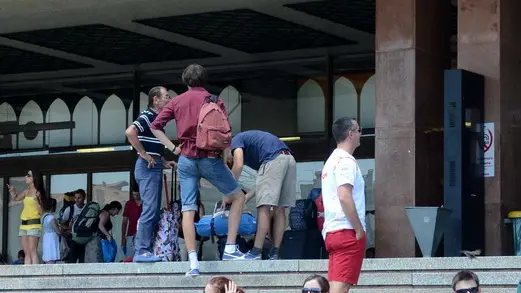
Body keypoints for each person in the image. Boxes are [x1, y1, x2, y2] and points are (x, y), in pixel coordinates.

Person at [151, 64, 246, 277]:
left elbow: (155, 126)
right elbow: (225, 135)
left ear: (185, 81)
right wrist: (226, 156)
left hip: (185, 158)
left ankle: (193, 261)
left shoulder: (176, 101)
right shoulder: (214, 100)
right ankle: (230, 248)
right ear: (204, 80)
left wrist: (173, 147)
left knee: (188, 208)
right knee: (238, 196)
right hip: (210, 158)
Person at [227, 130, 296, 260]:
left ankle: (256, 251)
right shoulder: (257, 153)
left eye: (228, 160)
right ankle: (275, 252)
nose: (230, 162)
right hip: (289, 158)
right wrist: (246, 197)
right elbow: (263, 183)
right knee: (280, 208)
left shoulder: (235, 140)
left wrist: (228, 191)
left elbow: (238, 165)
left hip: (274, 159)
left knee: (263, 207)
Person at [125, 86, 174, 263]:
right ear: (155, 100)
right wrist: (144, 154)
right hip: (147, 166)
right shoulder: (147, 116)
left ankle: (145, 249)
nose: (169, 100)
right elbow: (130, 132)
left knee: (153, 209)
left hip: (154, 165)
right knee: (150, 209)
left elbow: (152, 144)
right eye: (166, 96)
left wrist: (163, 161)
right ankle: (142, 250)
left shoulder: (157, 119)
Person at [321, 117, 366, 293]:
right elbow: (344, 196)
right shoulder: (346, 161)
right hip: (347, 231)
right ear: (351, 133)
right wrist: (358, 229)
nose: (361, 133)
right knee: (341, 285)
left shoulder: (331, 161)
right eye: (359, 129)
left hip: (333, 230)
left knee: (335, 283)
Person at [8, 170, 47, 264]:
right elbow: (16, 198)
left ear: (34, 178)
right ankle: (27, 276)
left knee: (33, 251)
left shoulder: (38, 193)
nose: (26, 177)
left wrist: (38, 201)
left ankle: (35, 276)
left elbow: (42, 212)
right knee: (27, 253)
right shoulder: (26, 191)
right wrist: (12, 191)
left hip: (34, 223)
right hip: (23, 224)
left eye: (28, 175)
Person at [121, 189, 142, 257]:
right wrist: (123, 237)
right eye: (134, 195)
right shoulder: (129, 204)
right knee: (130, 257)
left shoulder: (146, 203)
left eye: (137, 195)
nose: (135, 197)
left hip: (144, 235)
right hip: (131, 234)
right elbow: (124, 222)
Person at [41, 198, 61, 264]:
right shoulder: (51, 217)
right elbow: (58, 231)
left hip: (46, 237)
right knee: (52, 257)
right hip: (52, 238)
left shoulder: (43, 216)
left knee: (47, 256)